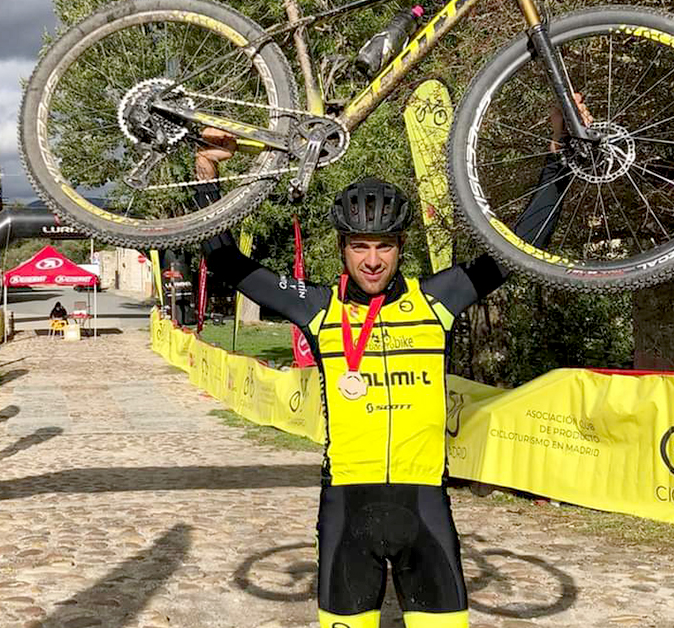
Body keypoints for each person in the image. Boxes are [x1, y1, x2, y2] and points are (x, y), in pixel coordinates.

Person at [193, 97, 585, 628]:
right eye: (359, 246)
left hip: (424, 508)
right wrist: (206, 168)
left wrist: (561, 149)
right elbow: (225, 262)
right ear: (342, 248)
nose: (371, 260)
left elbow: (522, 244)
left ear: (400, 246)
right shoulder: (317, 306)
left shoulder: (436, 300)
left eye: (382, 246)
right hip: (346, 512)